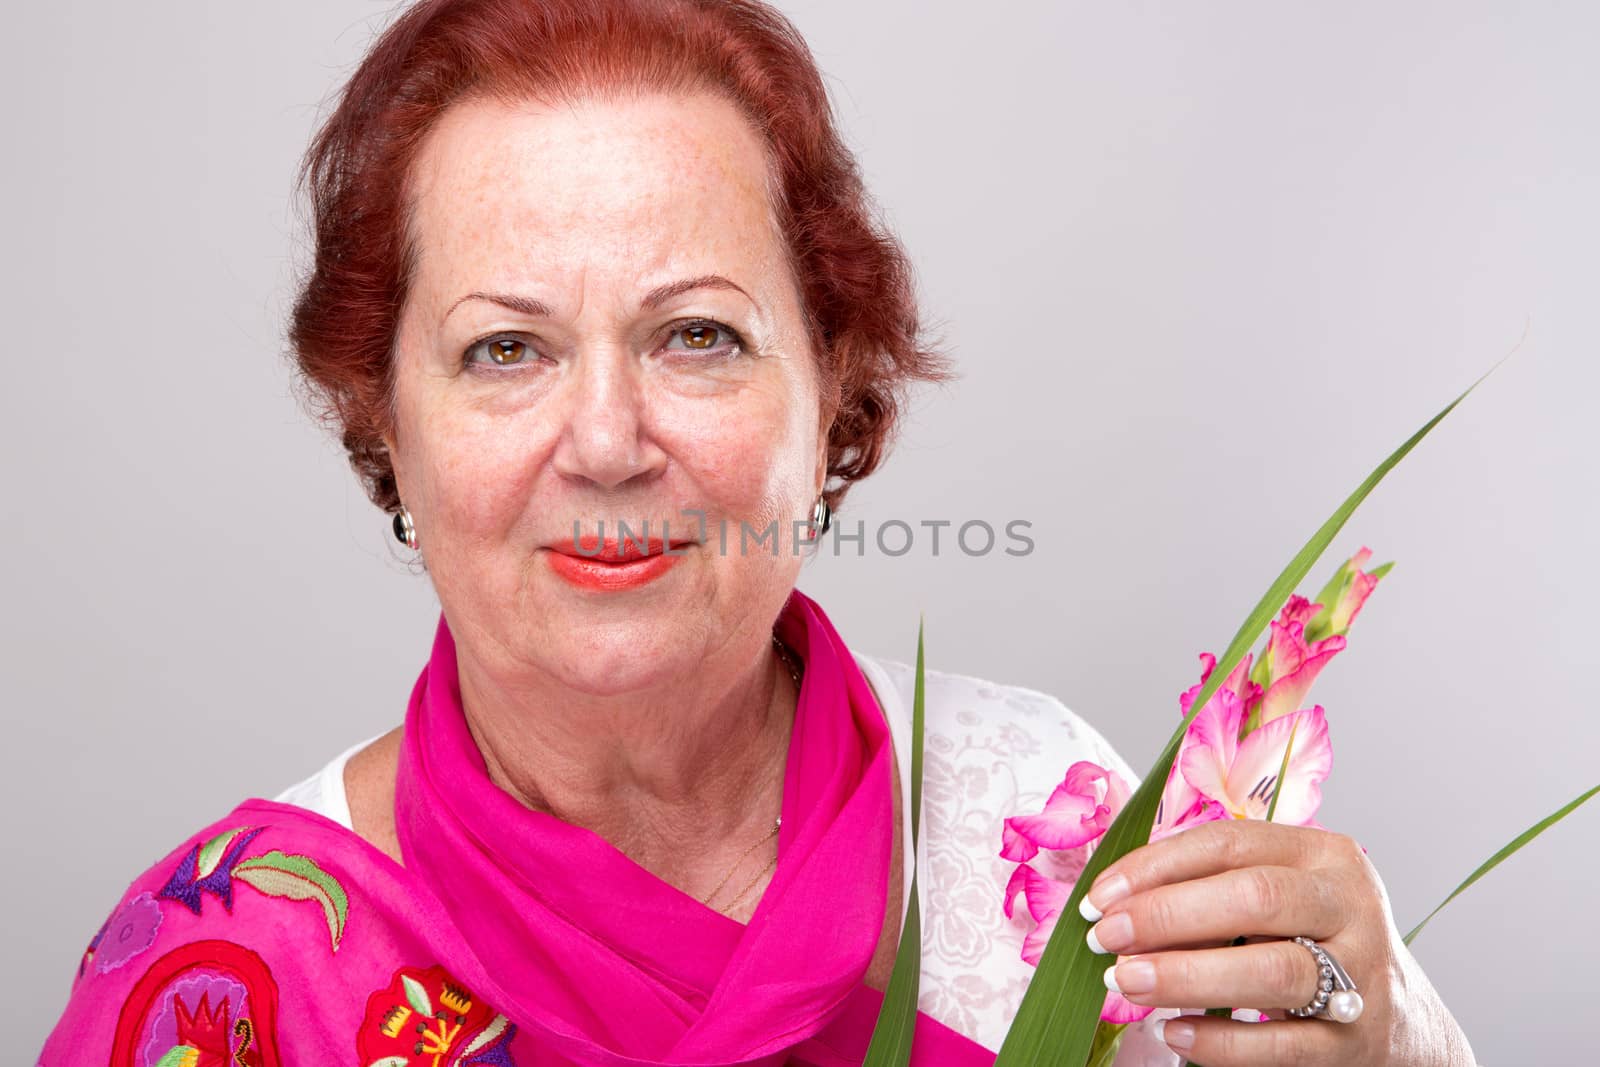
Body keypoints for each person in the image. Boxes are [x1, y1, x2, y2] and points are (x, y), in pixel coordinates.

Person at [37, 1, 1480, 1064]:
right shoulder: (222, 972)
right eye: (503, 351)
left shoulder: (1045, 832)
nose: (606, 442)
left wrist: (1396, 1041)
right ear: (386, 425)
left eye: (699, 336)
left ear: (832, 398)